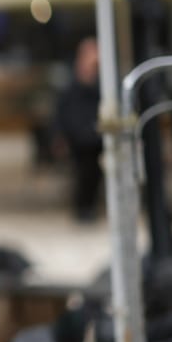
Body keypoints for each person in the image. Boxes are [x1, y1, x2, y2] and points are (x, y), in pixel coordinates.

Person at [56, 37, 103, 223]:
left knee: (94, 172)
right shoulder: (72, 82)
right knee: (84, 172)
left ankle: (90, 206)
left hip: (95, 135)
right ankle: (83, 208)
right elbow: (62, 111)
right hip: (79, 137)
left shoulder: (101, 80)